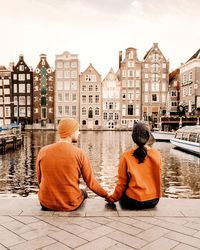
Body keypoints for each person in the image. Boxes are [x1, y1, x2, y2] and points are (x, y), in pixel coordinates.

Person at [36, 117, 109, 211]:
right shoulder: (79, 153)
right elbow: (91, 183)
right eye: (77, 130)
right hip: (70, 204)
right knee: (84, 193)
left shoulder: (43, 151)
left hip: (46, 203)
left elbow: (39, 180)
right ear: (71, 132)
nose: (79, 133)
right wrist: (106, 196)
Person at [107, 122, 162, 210]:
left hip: (133, 201)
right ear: (148, 136)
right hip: (153, 200)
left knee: (124, 190)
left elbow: (122, 183)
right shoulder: (157, 154)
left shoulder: (126, 156)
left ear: (133, 138)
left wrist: (112, 198)